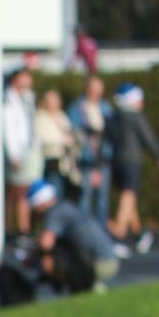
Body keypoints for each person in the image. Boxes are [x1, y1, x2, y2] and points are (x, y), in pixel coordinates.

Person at [106, 82, 159, 255]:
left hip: (116, 161)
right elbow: (148, 137)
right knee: (128, 195)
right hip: (131, 161)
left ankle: (138, 235)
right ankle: (118, 236)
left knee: (128, 198)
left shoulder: (113, 116)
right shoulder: (135, 116)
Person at [32, 179, 119, 293]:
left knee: (52, 255)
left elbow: (46, 243)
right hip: (110, 259)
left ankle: (89, 286)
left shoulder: (55, 212)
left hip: (99, 263)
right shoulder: (67, 206)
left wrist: (32, 257)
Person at [2, 66, 41, 234]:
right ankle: (17, 228)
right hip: (18, 151)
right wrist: (14, 154)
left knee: (24, 190)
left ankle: (20, 227)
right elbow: (9, 129)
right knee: (18, 191)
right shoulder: (7, 99)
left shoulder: (28, 97)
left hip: (30, 148)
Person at [68, 75, 111, 223]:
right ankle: (82, 229)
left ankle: (101, 231)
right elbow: (75, 131)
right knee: (85, 197)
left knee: (102, 199)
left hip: (103, 157)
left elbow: (110, 131)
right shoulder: (78, 108)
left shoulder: (105, 107)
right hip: (86, 158)